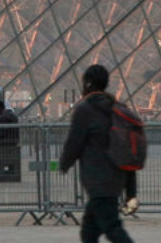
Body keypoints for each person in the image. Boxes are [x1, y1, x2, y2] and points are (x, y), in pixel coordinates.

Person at [59, 65, 138, 243]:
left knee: (112, 228)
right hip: (117, 176)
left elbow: (74, 142)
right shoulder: (117, 108)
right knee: (89, 231)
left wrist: (64, 163)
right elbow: (128, 149)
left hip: (98, 179)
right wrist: (131, 190)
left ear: (87, 83)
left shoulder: (85, 110)